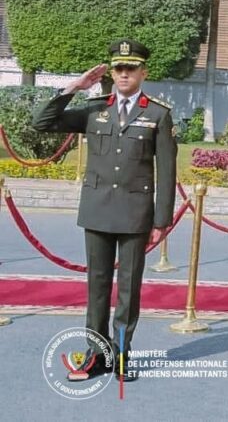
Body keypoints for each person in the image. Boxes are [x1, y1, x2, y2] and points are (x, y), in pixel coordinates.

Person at [32, 39, 177, 382]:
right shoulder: (95, 108)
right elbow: (43, 122)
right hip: (98, 211)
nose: (124, 73)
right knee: (97, 286)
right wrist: (74, 87)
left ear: (144, 72)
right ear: (111, 72)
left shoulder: (157, 113)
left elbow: (168, 171)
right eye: (118, 68)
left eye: (131, 68)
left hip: (134, 214)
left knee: (128, 289)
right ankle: (96, 356)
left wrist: (162, 220)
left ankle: (123, 354)